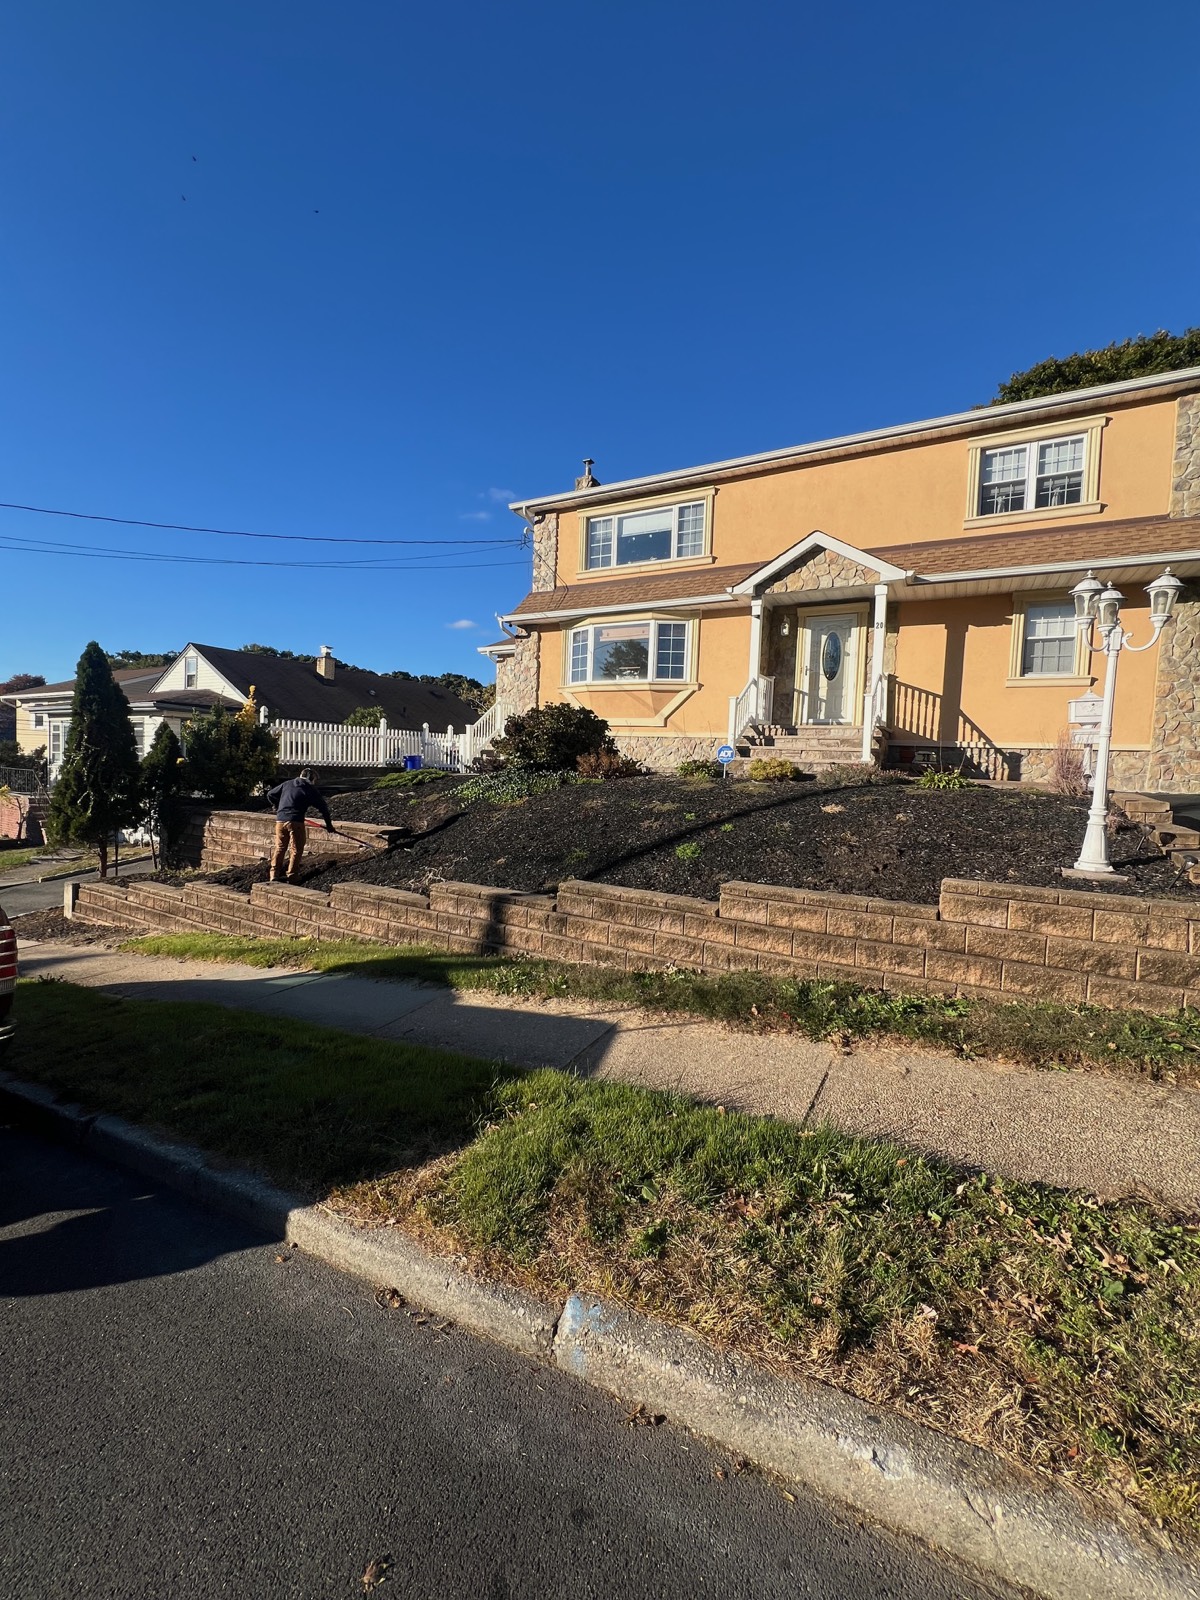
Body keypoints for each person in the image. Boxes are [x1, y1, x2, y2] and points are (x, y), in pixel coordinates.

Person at [266, 767, 334, 883]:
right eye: (314, 780)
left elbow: (270, 794)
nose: (314, 782)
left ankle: (274, 874)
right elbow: (323, 808)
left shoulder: (287, 784)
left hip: (280, 821)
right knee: (296, 849)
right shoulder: (309, 789)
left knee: (280, 848)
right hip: (296, 821)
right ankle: (292, 876)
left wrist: (276, 807)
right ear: (310, 778)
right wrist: (329, 825)